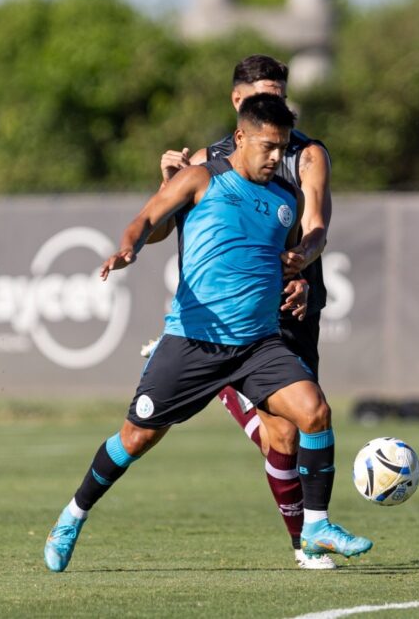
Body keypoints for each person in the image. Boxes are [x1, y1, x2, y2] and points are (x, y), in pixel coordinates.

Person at [43, 93, 371, 573]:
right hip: (195, 341)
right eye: (267, 147)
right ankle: (72, 516)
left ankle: (316, 526)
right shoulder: (201, 179)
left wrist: (297, 281)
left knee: (315, 412)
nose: (277, 158)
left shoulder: (285, 199)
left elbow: (271, 261)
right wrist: (128, 249)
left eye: (282, 149)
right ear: (240, 137)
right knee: (135, 439)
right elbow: (148, 218)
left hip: (259, 345)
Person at [154, 54, 334, 569]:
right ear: (238, 103)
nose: (273, 104)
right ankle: (306, 545)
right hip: (227, 309)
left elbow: (317, 224)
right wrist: (166, 183)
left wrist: (302, 264)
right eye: (263, 95)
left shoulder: (308, 155)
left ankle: (231, 395)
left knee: (290, 432)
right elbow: (164, 228)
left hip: (293, 299)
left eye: (280, 95)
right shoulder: (208, 162)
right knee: (287, 430)